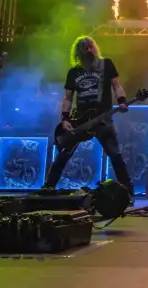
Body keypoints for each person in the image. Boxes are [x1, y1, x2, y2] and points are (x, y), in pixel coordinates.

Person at [44, 37, 133, 194]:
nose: (89, 50)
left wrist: (122, 101)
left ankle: (127, 192)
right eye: (85, 47)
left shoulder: (106, 64)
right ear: (78, 52)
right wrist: (65, 119)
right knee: (63, 154)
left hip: (102, 119)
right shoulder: (74, 72)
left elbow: (117, 86)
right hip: (80, 120)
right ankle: (48, 187)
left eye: (91, 46)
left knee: (115, 155)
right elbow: (68, 98)